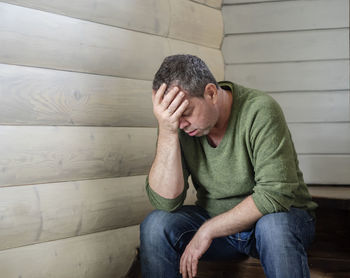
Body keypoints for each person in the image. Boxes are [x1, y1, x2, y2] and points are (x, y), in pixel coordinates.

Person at [140, 54, 318, 278]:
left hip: (278, 220)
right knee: (156, 226)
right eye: (174, 118)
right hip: (218, 227)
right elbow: (165, 201)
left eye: (186, 113)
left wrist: (208, 230)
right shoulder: (176, 125)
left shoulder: (260, 110)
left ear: (211, 93)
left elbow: (275, 195)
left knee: (274, 228)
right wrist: (167, 130)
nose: (181, 123)